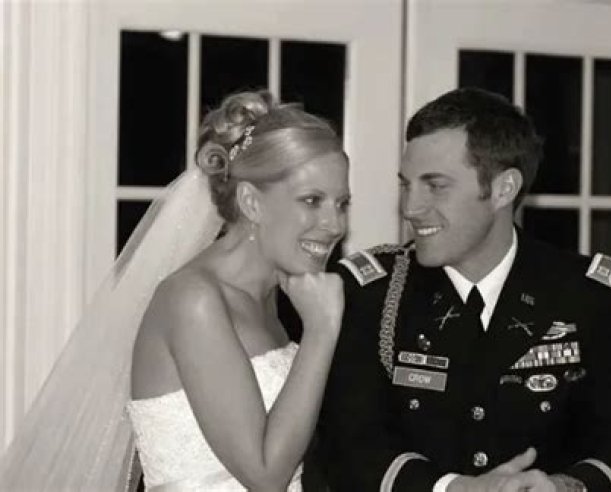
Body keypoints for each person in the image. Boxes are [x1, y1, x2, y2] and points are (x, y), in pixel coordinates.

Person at [316, 87, 611, 492]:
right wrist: (453, 489)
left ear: (503, 189)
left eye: (435, 186)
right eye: (406, 185)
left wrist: (563, 487)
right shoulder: (373, 294)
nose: (411, 208)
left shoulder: (587, 296)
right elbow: (349, 448)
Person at [0, 90, 349, 491]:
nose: (335, 224)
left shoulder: (269, 296)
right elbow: (265, 475)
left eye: (342, 203)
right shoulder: (195, 300)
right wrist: (321, 332)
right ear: (251, 202)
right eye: (312, 200)